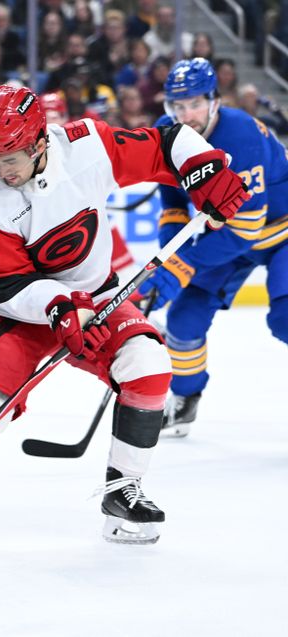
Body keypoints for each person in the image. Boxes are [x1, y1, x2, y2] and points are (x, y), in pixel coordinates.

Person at [0, 84, 249, 546]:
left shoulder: (88, 148)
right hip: (18, 315)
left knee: (148, 362)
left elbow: (166, 143)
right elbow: (4, 285)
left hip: (97, 299)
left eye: (9, 158)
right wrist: (58, 307)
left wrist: (202, 168)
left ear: (40, 142)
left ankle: (122, 492)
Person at [137, 58, 288, 437]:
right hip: (228, 234)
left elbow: (246, 230)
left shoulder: (242, 137)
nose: (187, 115)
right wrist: (169, 256)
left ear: (214, 100)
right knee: (183, 322)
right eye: (179, 105)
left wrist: (182, 265)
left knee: (285, 318)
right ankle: (186, 402)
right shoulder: (168, 132)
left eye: (195, 104)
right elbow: (172, 198)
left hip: (279, 231)